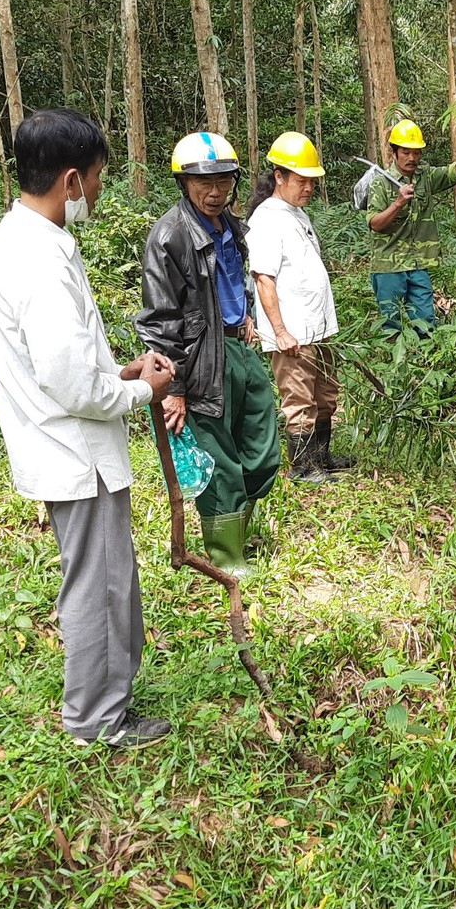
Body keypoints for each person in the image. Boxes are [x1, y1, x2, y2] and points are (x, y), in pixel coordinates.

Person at [0, 108, 176, 750]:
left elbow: (63, 364)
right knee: (97, 585)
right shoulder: (38, 261)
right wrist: (143, 388)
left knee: (106, 577)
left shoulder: (23, 241)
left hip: (68, 442)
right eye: (95, 179)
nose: (97, 193)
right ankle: (94, 719)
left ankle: (108, 699)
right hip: (74, 453)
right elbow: (71, 385)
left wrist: (121, 370)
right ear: (69, 180)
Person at [137, 132, 281, 577]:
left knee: (262, 447)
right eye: (205, 183)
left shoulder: (232, 226)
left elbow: (236, 283)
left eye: (224, 181)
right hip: (199, 360)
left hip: (240, 347)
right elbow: (161, 318)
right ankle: (227, 557)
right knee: (218, 460)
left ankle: (239, 529)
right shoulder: (169, 237)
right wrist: (172, 388)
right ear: (184, 183)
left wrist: (249, 318)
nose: (215, 192)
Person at [248, 131, 356, 484]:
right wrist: (280, 331)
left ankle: (322, 458)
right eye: (301, 180)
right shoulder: (267, 219)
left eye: (312, 181)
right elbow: (264, 278)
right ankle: (303, 467)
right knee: (299, 400)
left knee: (325, 395)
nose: (308, 187)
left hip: (319, 329)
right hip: (293, 331)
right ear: (279, 176)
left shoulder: (297, 214)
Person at [364, 118, 456, 334]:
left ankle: (426, 362)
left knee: (426, 322)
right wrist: (398, 203)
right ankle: (396, 365)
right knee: (391, 324)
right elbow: (375, 223)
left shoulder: (425, 176)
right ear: (394, 152)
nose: (412, 158)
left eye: (416, 152)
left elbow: (453, 172)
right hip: (389, 266)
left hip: (418, 263)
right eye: (405, 152)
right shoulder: (380, 183)